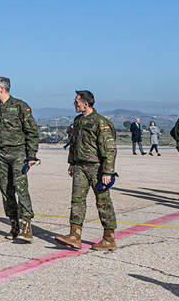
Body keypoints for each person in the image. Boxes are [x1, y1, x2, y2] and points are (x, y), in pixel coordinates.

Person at [56, 90, 118, 251]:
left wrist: (107, 172)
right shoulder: (78, 121)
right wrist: (72, 163)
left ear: (86, 103)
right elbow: (74, 143)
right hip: (80, 167)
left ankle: (109, 238)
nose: (74, 104)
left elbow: (109, 149)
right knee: (77, 200)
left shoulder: (101, 122)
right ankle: (75, 235)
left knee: (103, 202)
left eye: (76, 101)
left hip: (97, 168)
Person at [0, 76, 39, 242]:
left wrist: (31, 155)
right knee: (6, 191)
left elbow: (32, 131)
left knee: (21, 189)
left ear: (2, 88)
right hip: (0, 155)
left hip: (18, 154)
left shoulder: (21, 106)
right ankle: (14, 225)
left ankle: (27, 227)